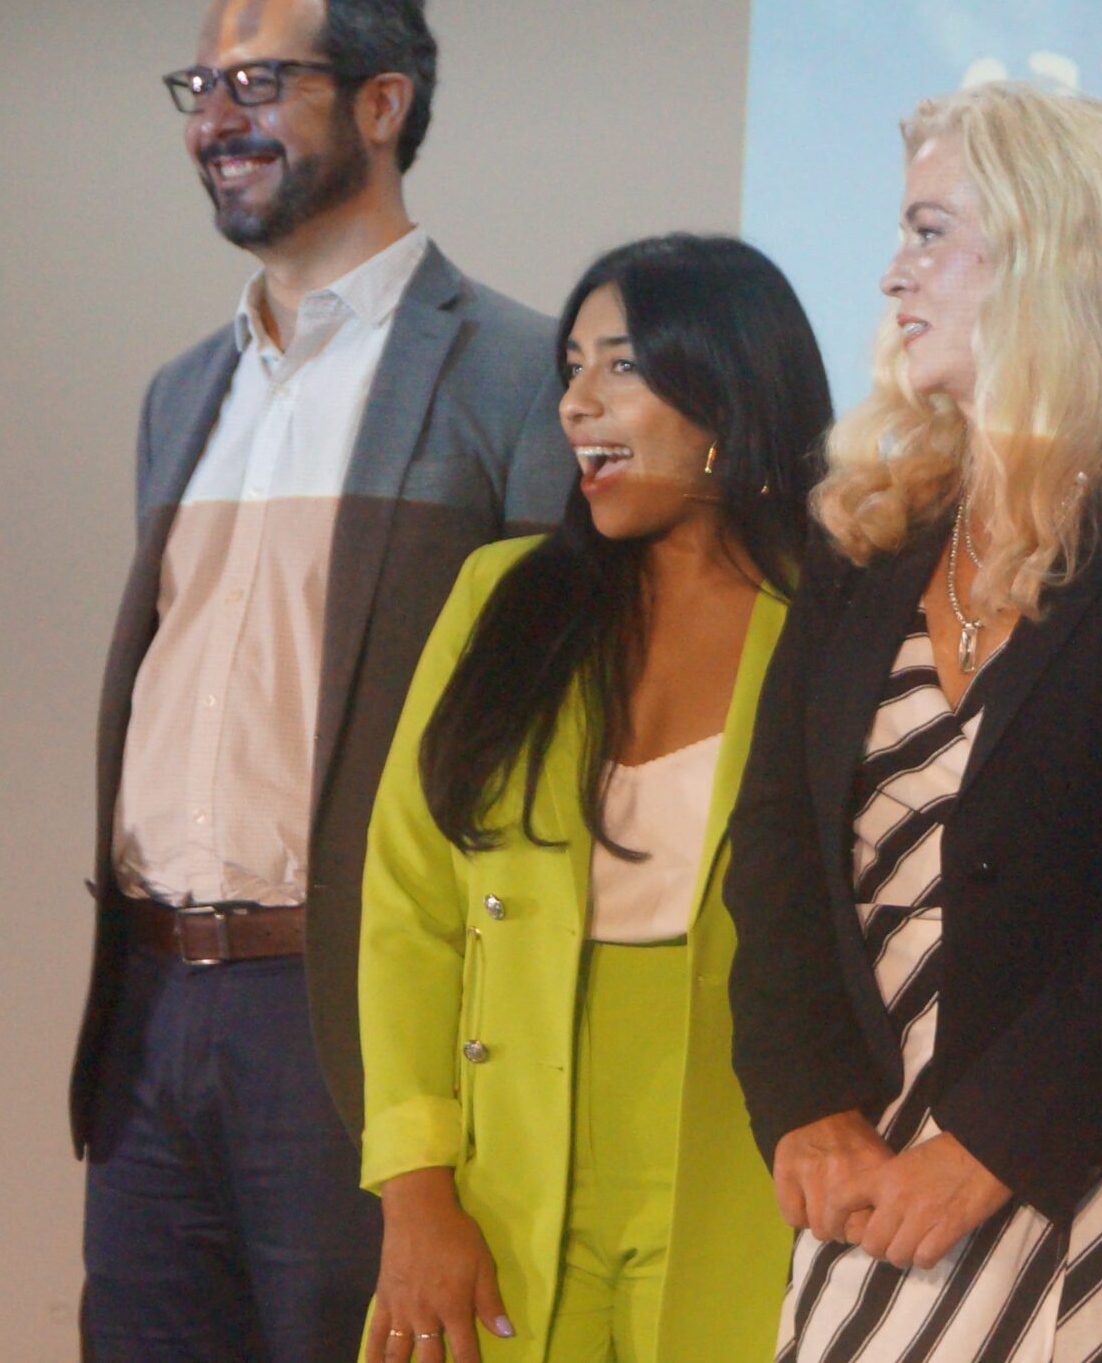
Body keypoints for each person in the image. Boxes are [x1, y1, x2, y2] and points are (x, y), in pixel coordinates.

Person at [726, 81, 1102, 1363]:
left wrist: (994, 1143)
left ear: (1054, 251)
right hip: (878, 1174)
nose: (892, 273)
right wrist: (804, 1101)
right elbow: (772, 843)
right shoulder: (867, 531)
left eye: (930, 232)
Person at [72, 0, 573, 1360]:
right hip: (152, 1007)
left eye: (258, 82)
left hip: (352, 1017)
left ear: (381, 103)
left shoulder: (518, 374)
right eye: (200, 86)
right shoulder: (184, 391)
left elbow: (543, 741)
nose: (213, 121)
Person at [357, 234, 831, 1363]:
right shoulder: (503, 597)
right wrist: (416, 1191)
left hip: (755, 1166)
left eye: (621, 364)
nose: (575, 402)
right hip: (505, 1176)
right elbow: (409, 906)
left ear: (730, 387)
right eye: (571, 366)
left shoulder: (838, 616)